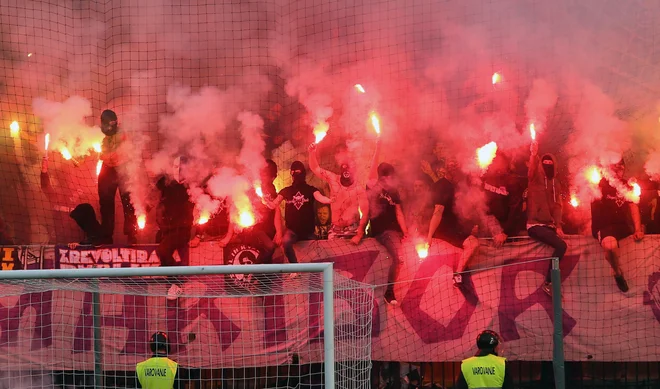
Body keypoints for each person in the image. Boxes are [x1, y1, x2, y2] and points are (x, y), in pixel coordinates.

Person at [353, 139, 409, 305]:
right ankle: (389, 292)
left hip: (393, 232)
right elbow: (372, 168)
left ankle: (389, 291)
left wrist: (405, 232)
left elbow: (399, 213)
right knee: (398, 258)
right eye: (386, 176)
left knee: (399, 258)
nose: (389, 180)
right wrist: (378, 147)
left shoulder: (395, 191)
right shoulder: (373, 185)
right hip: (381, 232)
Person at [591, 160, 644, 293]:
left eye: (622, 164)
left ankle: (616, 268)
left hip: (622, 226)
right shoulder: (600, 183)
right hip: (604, 226)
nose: (619, 167)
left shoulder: (626, 185)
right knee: (610, 246)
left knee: (612, 247)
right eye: (616, 164)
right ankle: (617, 273)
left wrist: (638, 229)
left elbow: (633, 206)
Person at [426, 158, 479, 288]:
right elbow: (437, 212)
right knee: (473, 244)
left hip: (453, 227)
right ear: (451, 172)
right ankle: (457, 275)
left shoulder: (447, 185)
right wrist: (429, 236)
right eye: (457, 172)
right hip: (445, 229)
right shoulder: (444, 186)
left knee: (473, 240)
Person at [265, 161, 331, 264]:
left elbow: (321, 198)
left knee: (318, 250)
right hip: (292, 231)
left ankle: (316, 272)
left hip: (308, 231)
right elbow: (274, 205)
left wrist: (330, 200)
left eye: (298, 171)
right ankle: (294, 267)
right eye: (295, 172)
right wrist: (267, 201)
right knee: (286, 242)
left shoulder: (310, 189)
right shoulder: (286, 191)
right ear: (292, 173)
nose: (297, 174)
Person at [527, 141, 567, 296]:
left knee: (562, 244)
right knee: (561, 246)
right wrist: (533, 154)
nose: (548, 165)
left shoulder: (556, 183)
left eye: (550, 163)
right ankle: (549, 283)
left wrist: (558, 225)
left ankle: (551, 282)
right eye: (545, 163)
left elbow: (558, 206)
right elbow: (531, 170)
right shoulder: (535, 178)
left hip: (549, 225)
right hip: (535, 225)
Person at [155, 157, 195, 299]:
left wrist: (198, 234)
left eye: (180, 167)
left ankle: (177, 282)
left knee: (162, 251)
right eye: (175, 166)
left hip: (181, 229)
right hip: (169, 229)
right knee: (162, 253)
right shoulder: (168, 184)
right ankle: (174, 274)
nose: (177, 170)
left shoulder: (189, 186)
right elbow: (158, 184)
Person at [97, 109, 138, 244]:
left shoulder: (123, 134)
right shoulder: (99, 134)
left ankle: (132, 235)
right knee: (106, 203)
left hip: (123, 167)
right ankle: (106, 237)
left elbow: (115, 156)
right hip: (107, 169)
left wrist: (104, 155)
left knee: (129, 202)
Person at [308, 143, 361, 239]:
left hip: (353, 230)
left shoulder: (357, 186)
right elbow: (315, 168)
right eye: (344, 167)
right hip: (335, 230)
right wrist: (312, 153)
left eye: (349, 168)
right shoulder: (333, 179)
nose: (346, 171)